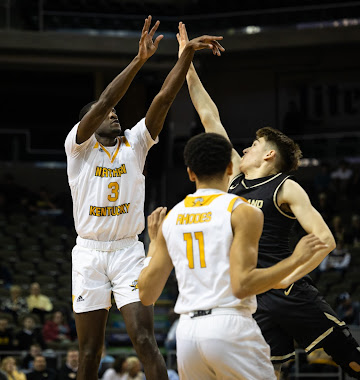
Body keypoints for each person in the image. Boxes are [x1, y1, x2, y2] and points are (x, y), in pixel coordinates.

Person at [176, 21, 360, 380]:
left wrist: (289, 276)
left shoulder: (286, 186)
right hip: (253, 297)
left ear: (268, 157)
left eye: (254, 145)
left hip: (290, 291)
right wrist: (185, 62)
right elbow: (208, 114)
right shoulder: (232, 177)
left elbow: (325, 240)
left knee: (358, 365)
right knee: (268, 373)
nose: (245, 147)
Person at [65, 15, 223, 380]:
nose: (114, 114)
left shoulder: (135, 143)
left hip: (127, 251)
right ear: (88, 123)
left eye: (117, 112)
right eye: (106, 114)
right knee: (89, 352)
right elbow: (106, 99)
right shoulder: (78, 148)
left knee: (146, 341)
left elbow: (165, 97)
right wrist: (139, 60)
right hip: (88, 253)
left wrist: (185, 57)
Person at [138, 132, 322, 379]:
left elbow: (146, 294)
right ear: (229, 168)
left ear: (191, 173)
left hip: (187, 333)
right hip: (229, 325)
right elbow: (242, 285)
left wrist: (153, 246)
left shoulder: (173, 218)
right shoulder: (243, 212)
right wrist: (296, 259)